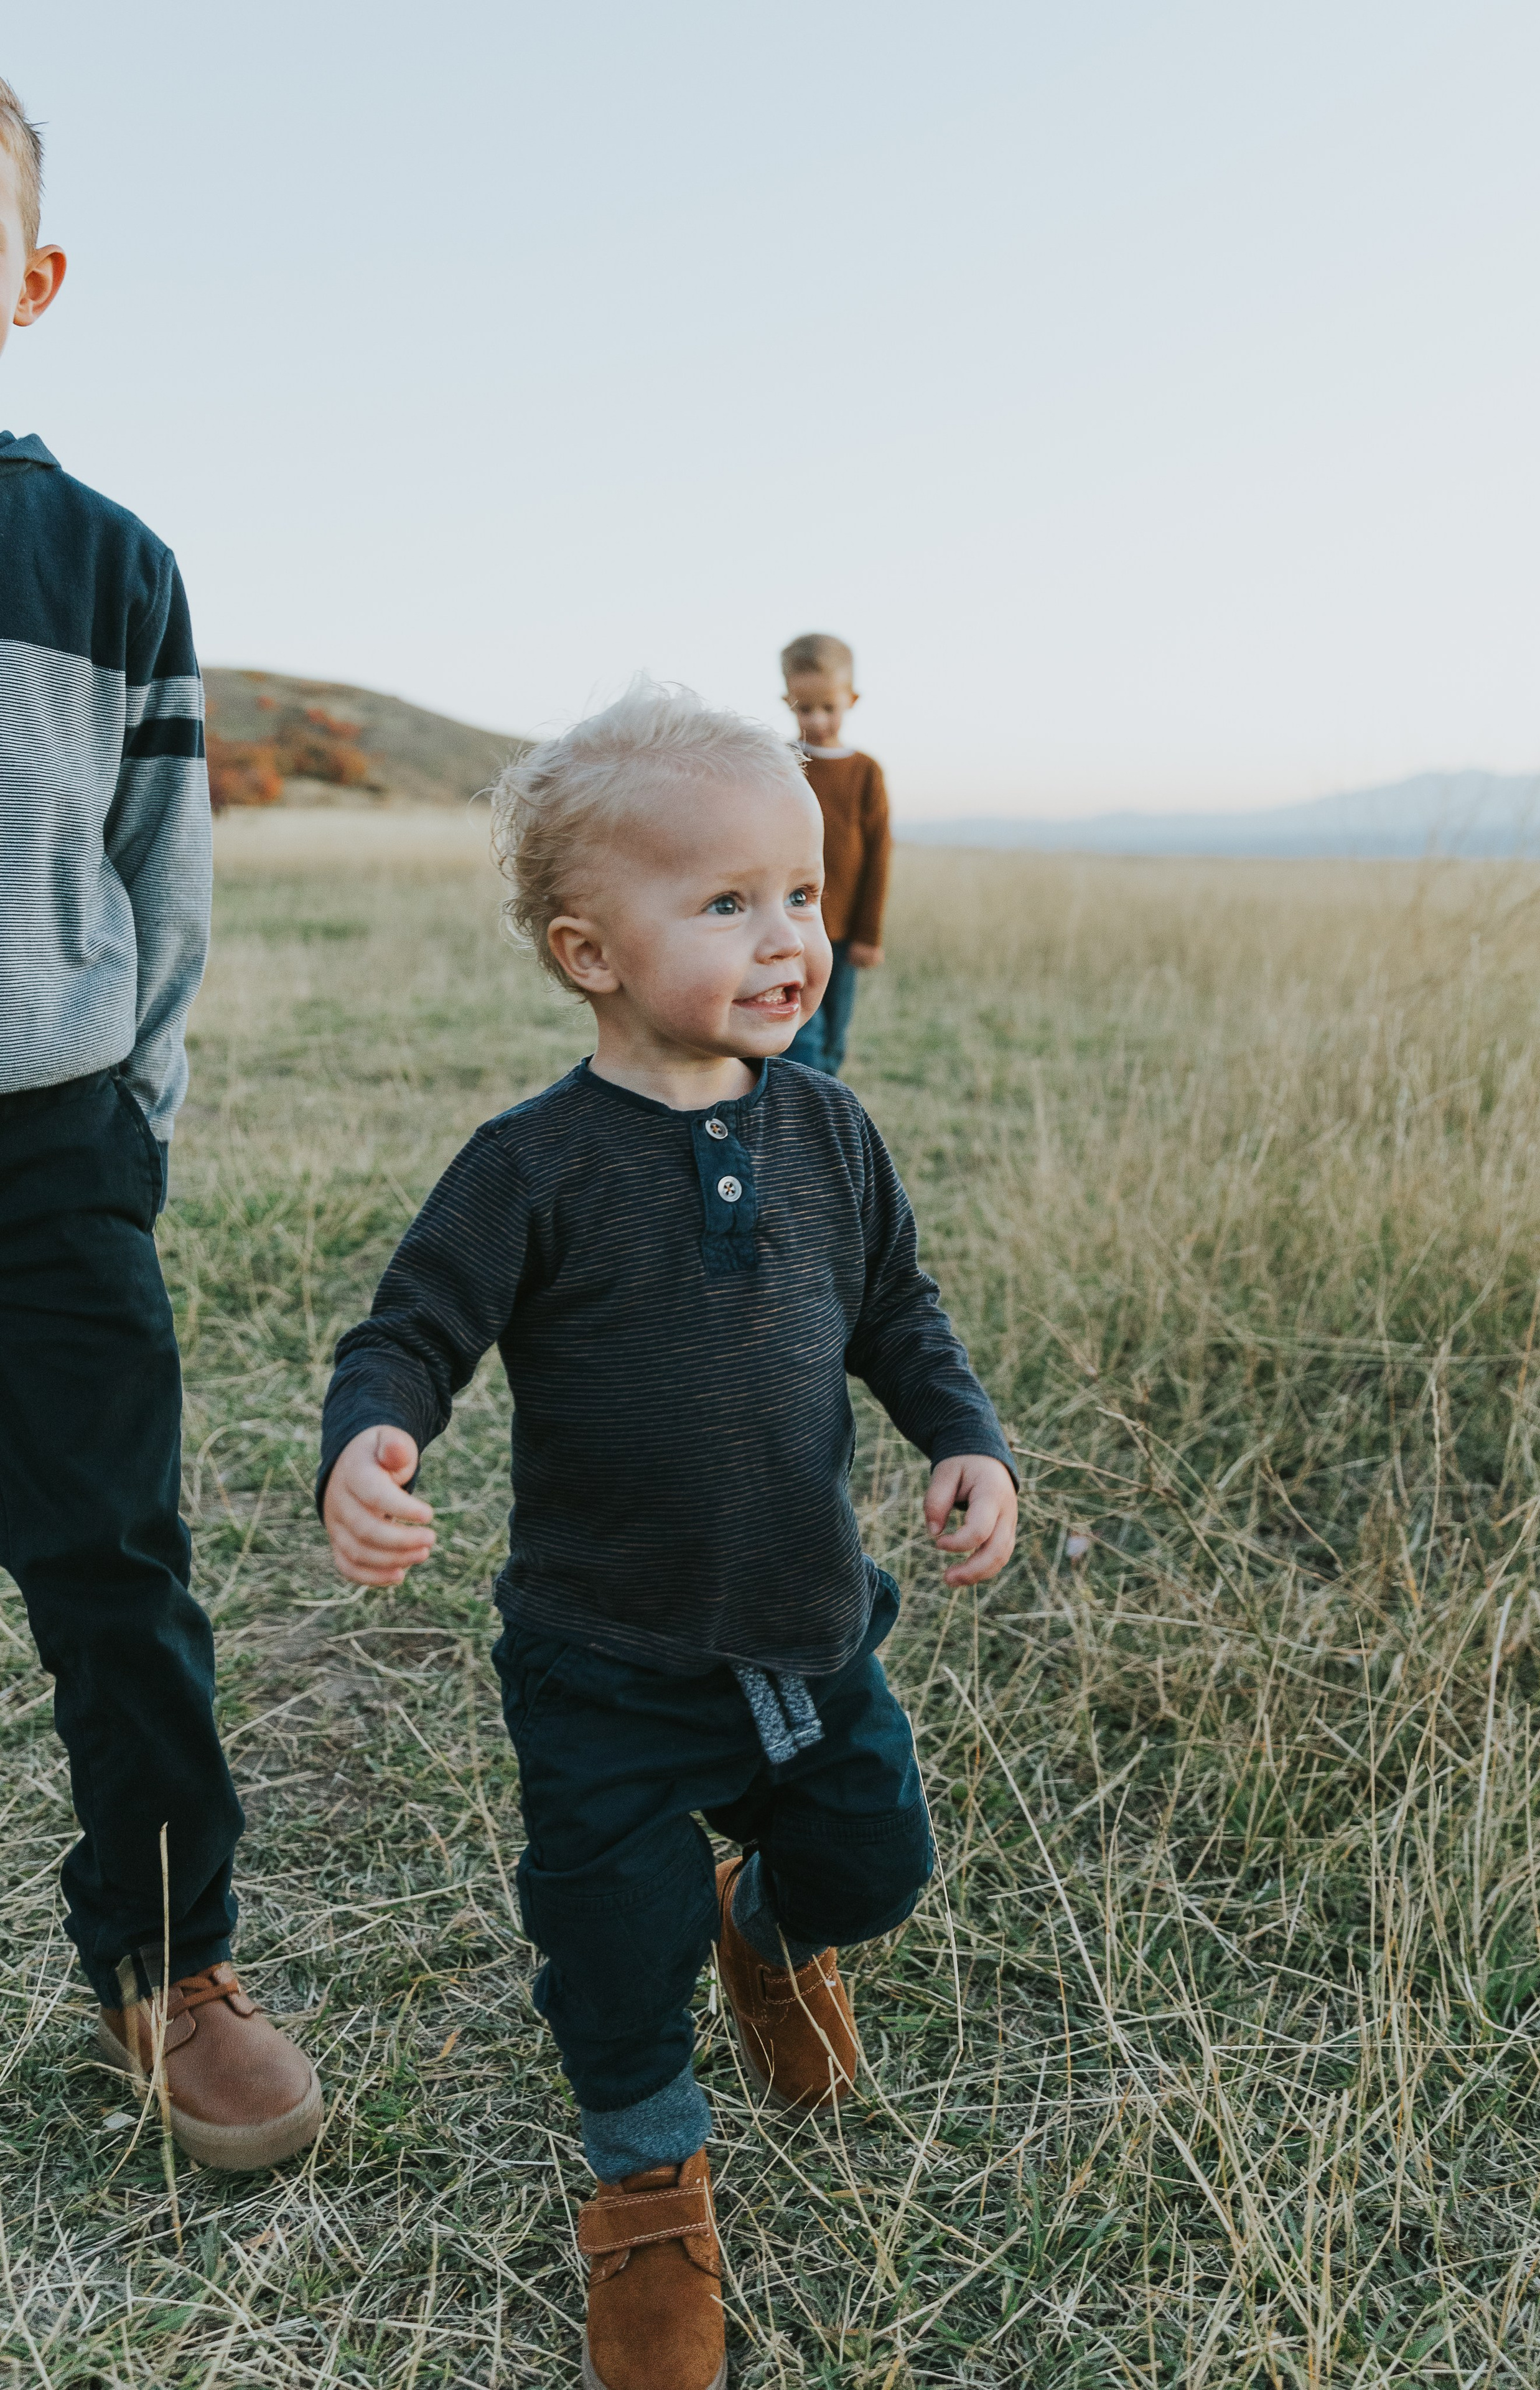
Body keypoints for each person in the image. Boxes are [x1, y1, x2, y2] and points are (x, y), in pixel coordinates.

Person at [317, 680, 1017, 2390]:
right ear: (588, 953)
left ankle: (768, 1927)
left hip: (805, 1633)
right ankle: (646, 2187)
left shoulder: (835, 1135)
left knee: (879, 1867)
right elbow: (407, 1330)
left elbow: (901, 1314)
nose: (791, 938)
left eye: (800, 895)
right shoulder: (533, 1167)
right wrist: (374, 1435)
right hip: (604, 1667)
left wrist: (964, 1437)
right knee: (613, 1953)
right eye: (726, 904)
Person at [0, 78, 320, 2170]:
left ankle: (168, 1959)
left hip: (49, 1155)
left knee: (120, 1563)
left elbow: (161, 874)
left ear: (27, 279)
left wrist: (134, 1116)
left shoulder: (109, 564)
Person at [780, 631, 890, 1077]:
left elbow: (879, 856)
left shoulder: (865, 771)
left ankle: (827, 1110)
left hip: (844, 933)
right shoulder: (778, 761)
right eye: (805, 708)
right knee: (797, 1029)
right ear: (788, 699)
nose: (818, 719)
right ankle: (798, 1108)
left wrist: (870, 934)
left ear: (852, 699)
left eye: (829, 707)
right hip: (787, 923)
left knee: (833, 1034)